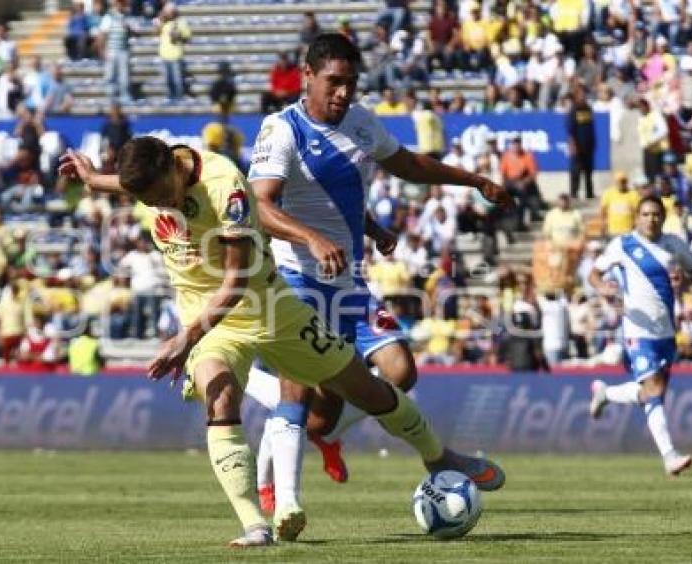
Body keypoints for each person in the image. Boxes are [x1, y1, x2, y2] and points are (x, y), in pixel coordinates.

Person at [58, 134, 505, 547]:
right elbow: (129, 183)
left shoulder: (225, 187)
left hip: (266, 305)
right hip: (205, 315)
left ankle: (438, 455)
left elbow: (235, 280)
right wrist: (93, 178)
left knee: (365, 389)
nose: (159, 206)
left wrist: (184, 338)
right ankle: (254, 524)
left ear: (174, 168)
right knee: (220, 394)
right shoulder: (153, 176)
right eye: (148, 201)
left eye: (160, 196)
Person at [245, 33, 510, 539]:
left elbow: (407, 166)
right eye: (334, 82)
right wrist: (313, 239)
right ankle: (286, 506)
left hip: (347, 284)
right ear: (308, 76)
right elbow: (260, 204)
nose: (343, 92)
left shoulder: (361, 121)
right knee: (297, 391)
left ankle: (324, 438)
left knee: (398, 369)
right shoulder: (281, 130)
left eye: (350, 82)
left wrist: (473, 181)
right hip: (296, 278)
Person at [588, 195, 692, 476]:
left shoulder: (674, 245)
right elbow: (594, 274)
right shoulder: (623, 245)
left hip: (666, 331)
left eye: (656, 214)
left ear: (663, 217)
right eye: (646, 214)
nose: (651, 219)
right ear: (637, 217)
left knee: (653, 396)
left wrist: (684, 280)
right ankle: (670, 456)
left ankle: (607, 393)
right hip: (637, 329)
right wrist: (602, 287)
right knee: (654, 390)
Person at [98, 0, 132, 101]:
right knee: (110, 75)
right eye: (122, 4)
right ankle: (111, 97)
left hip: (123, 50)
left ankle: (124, 96)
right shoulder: (109, 17)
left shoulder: (125, 17)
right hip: (112, 50)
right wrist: (102, 50)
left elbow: (129, 33)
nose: (124, 6)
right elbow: (102, 34)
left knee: (124, 76)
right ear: (117, 5)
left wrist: (128, 29)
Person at [157, 2, 191, 100]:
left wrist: (178, 35)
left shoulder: (181, 22)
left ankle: (179, 97)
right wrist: (160, 21)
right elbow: (156, 32)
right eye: (166, 12)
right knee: (168, 80)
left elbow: (187, 37)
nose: (168, 13)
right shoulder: (163, 22)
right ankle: (170, 97)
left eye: (169, 11)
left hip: (176, 55)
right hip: (164, 54)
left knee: (177, 80)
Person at [566, 86, 596, 199]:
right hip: (577, 146)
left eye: (584, 94)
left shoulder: (588, 109)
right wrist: (573, 145)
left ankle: (589, 193)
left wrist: (593, 143)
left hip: (588, 145)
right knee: (576, 171)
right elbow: (570, 130)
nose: (583, 97)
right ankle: (574, 194)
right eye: (581, 94)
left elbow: (591, 127)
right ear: (576, 96)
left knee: (588, 171)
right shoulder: (573, 110)